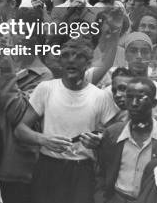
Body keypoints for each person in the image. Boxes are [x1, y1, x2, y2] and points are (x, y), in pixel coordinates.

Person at [15, 39, 118, 203]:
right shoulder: (46, 88)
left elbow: (114, 137)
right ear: (60, 61)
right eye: (66, 56)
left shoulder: (99, 96)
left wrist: (99, 141)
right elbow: (20, 129)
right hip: (48, 167)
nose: (71, 60)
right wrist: (43, 139)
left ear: (88, 62)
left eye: (78, 56)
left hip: (82, 170)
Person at [98, 78, 157, 203]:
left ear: (154, 103)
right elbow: (101, 172)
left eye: (140, 98)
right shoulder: (112, 134)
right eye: (129, 97)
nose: (133, 103)